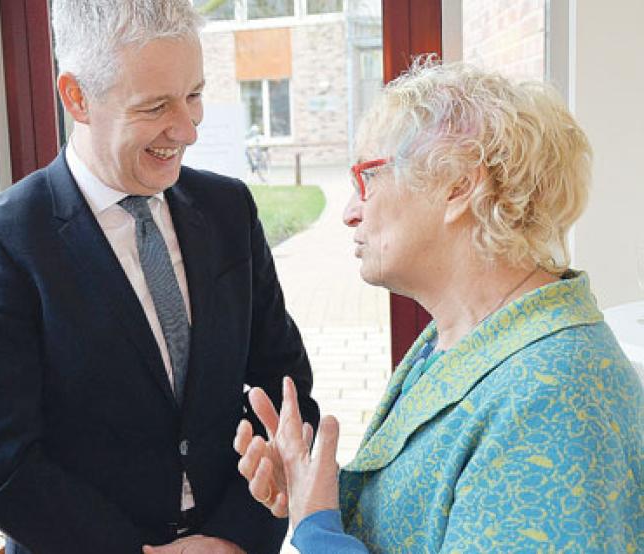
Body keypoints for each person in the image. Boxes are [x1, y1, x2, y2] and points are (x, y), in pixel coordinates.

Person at [0, 1, 318, 552]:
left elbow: (286, 391)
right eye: (155, 107)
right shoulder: (3, 241)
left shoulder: (228, 209)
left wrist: (235, 537)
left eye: (193, 95)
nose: (188, 129)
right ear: (77, 97)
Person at [234, 60, 644, 552]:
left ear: (458, 186)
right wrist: (323, 496)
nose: (348, 212)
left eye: (368, 177)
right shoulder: (455, 338)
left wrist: (317, 530)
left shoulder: (553, 397)